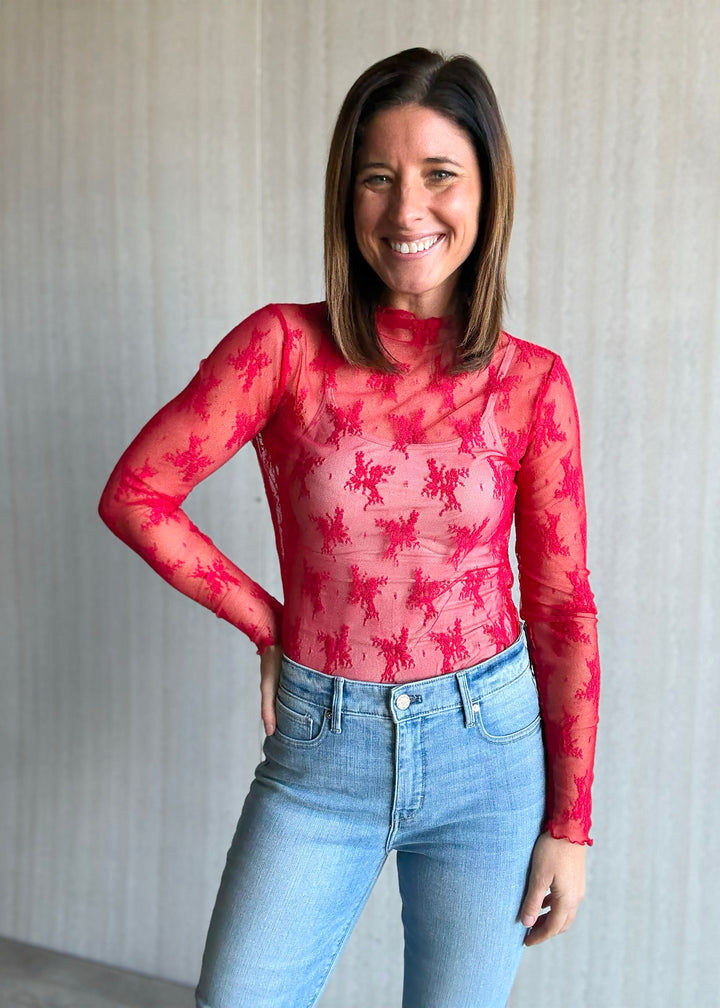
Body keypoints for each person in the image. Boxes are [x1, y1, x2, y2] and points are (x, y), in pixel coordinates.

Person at [99, 47, 599, 1008]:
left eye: (440, 176)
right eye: (379, 178)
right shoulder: (281, 349)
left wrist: (569, 826)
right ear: (347, 194)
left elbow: (562, 608)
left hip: (489, 757)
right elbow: (137, 491)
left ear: (487, 192)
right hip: (322, 751)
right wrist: (269, 622)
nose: (408, 210)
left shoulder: (531, 384)